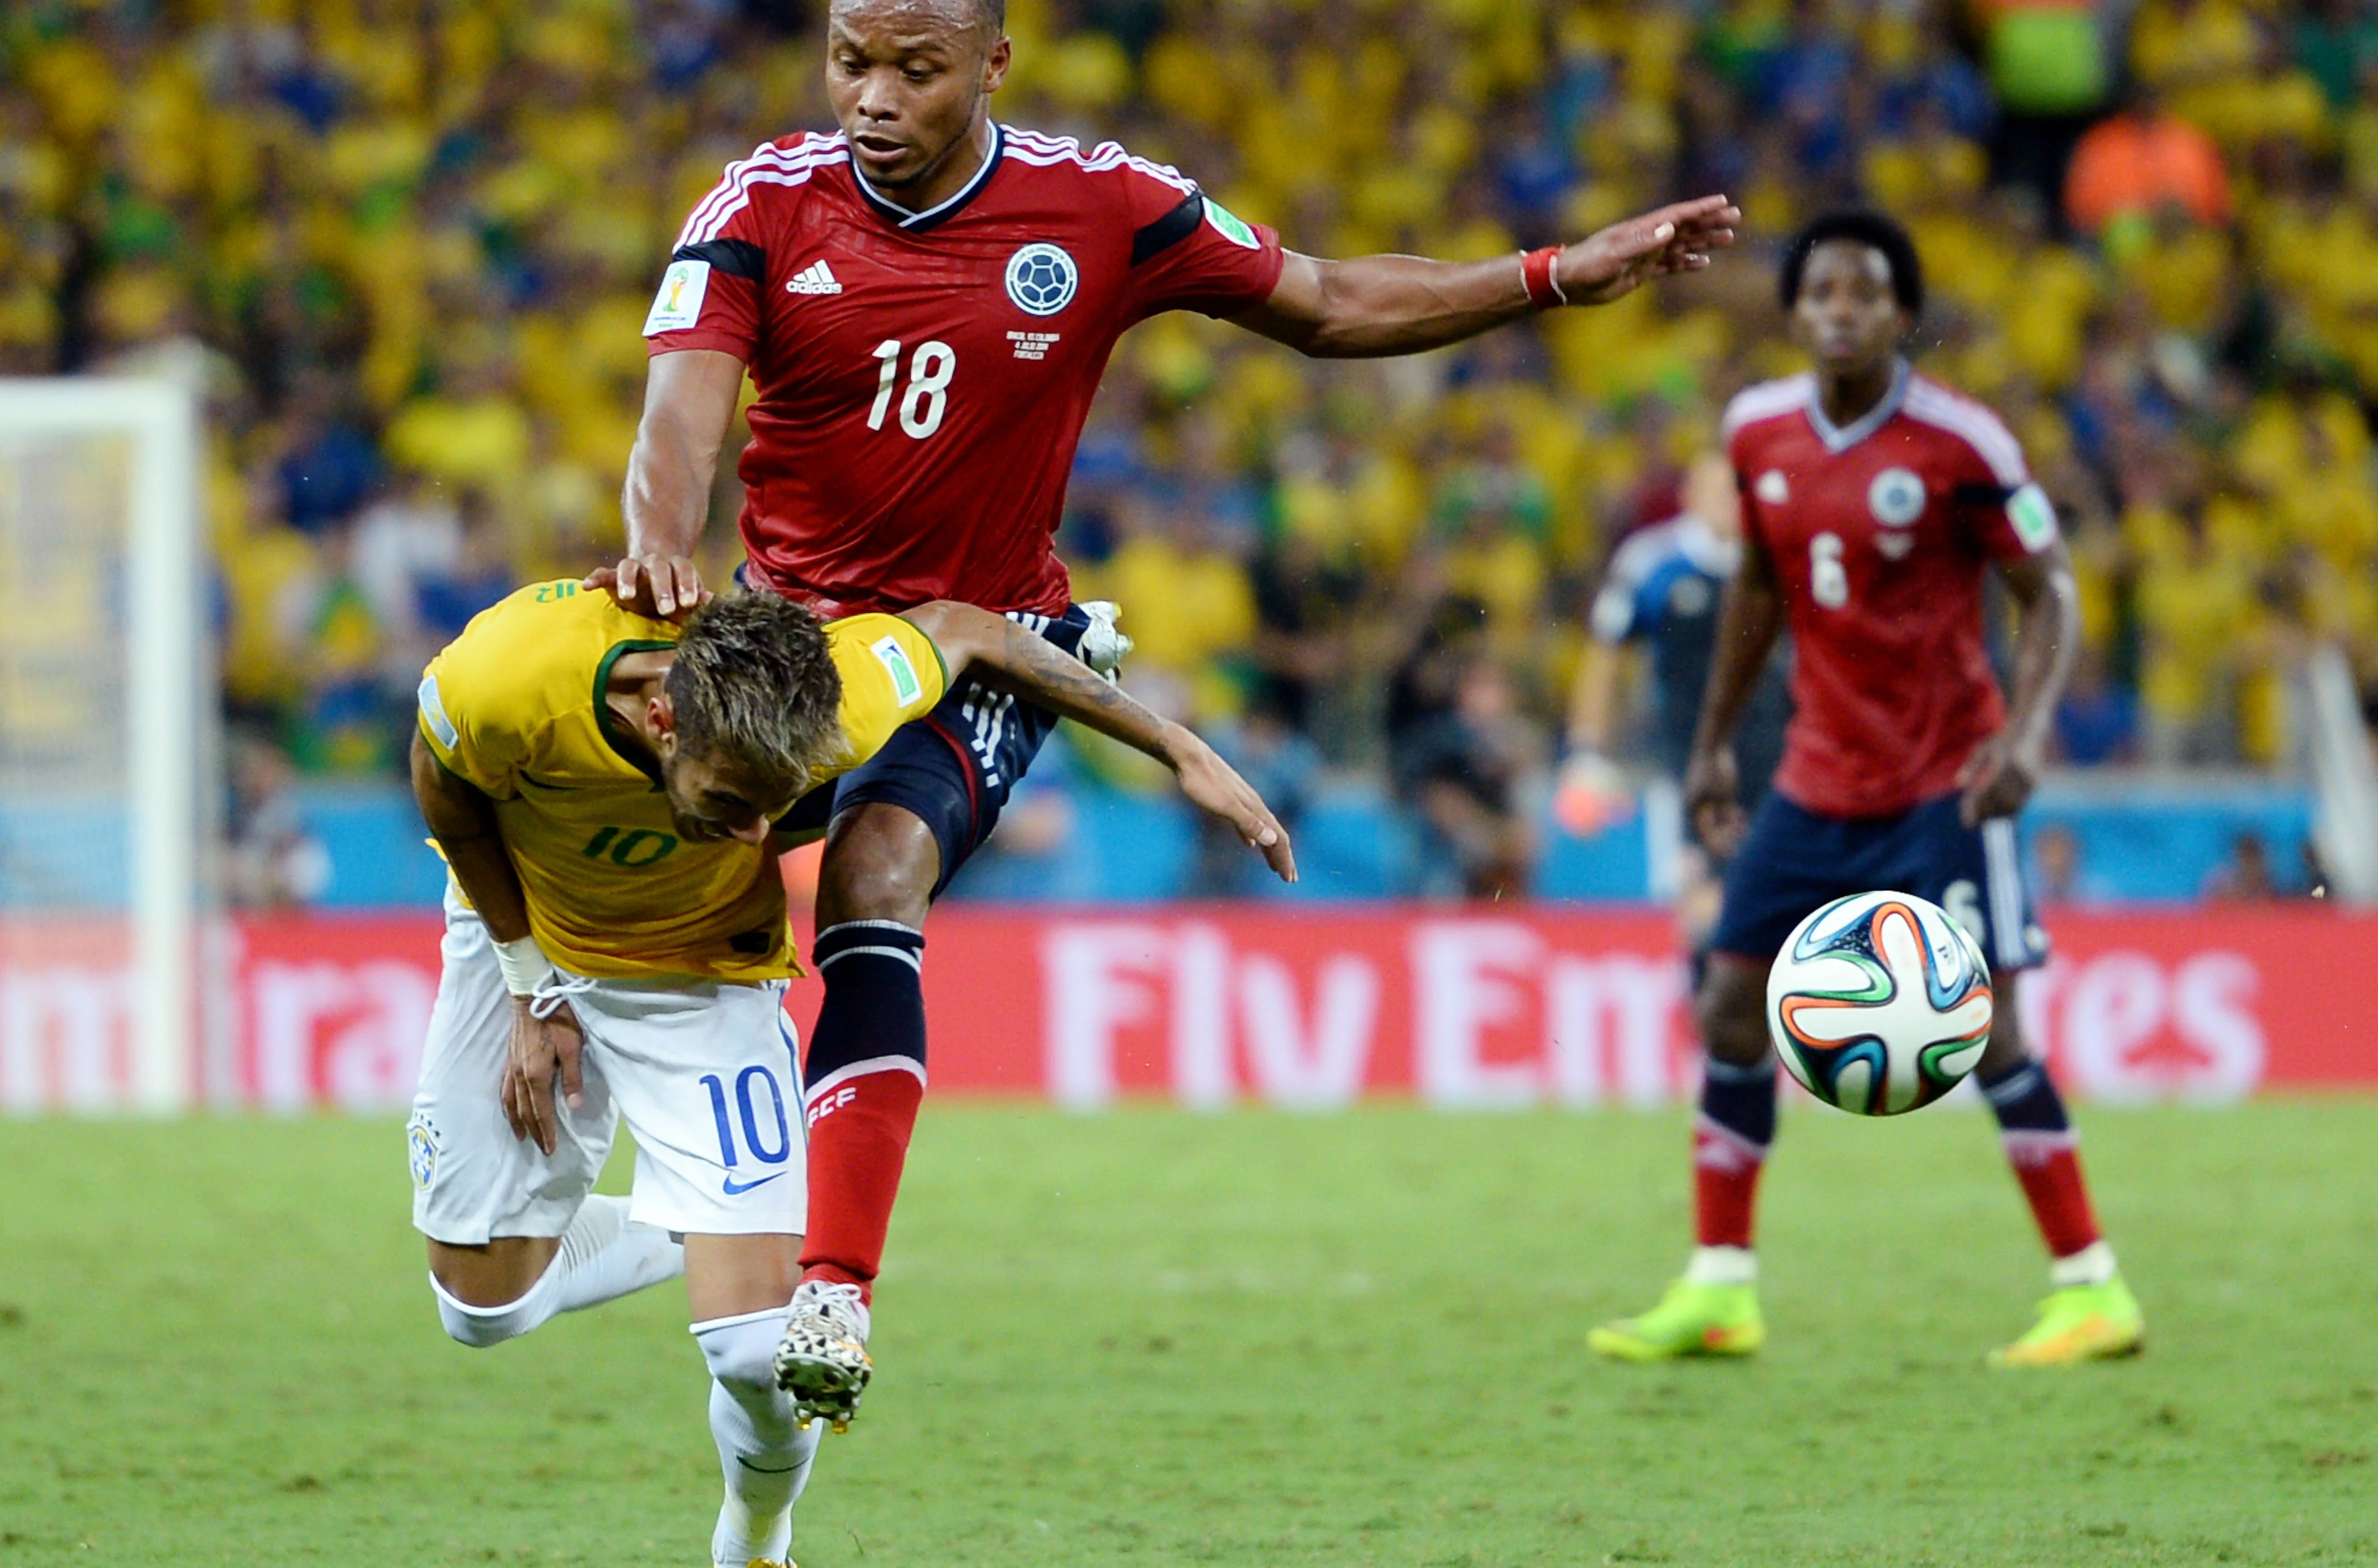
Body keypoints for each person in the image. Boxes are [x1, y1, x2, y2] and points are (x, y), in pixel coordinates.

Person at [597, 0, 1740, 1426]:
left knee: (876, 878)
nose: (870, 98)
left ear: (989, 65)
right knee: (666, 902)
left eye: (912, 68)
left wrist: (1553, 274)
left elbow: (1323, 302)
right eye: (848, 62)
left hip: (990, 651)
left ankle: (835, 1284)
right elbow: (676, 429)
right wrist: (659, 544)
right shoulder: (762, 204)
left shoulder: (1097, 207)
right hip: (794, 656)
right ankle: (615, 1143)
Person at [407, 583, 1290, 1568]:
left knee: (760, 1356)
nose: (754, 837)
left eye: (774, 809)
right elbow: (444, 784)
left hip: (702, 972)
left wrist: (1179, 748)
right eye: (733, 802)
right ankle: (698, 1223)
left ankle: (753, 1542)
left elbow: (970, 631)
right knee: (481, 1310)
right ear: (662, 718)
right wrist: (530, 985)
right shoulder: (511, 674)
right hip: (520, 931)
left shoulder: (846, 691)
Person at [1588, 212, 2141, 1370]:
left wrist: (2028, 736)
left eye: (1866, 293)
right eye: (1823, 292)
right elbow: (1758, 596)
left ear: (1901, 316)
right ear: (1795, 314)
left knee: (1988, 1029)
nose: (1842, 309)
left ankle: (2092, 1286)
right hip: (1815, 776)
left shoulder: (1963, 443)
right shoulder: (1757, 432)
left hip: (1950, 777)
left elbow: (2054, 593)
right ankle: (1720, 1287)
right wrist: (1711, 746)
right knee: (1734, 1006)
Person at [1559, 450, 1794, 966]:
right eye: (1715, 491)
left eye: (1737, 491)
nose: (1727, 504)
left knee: (1785, 917)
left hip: (1778, 764)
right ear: (1688, 496)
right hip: (1686, 768)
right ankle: (1716, 1046)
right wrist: (1587, 752)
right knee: (1704, 919)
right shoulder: (1652, 562)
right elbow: (1605, 658)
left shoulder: (1781, 557)